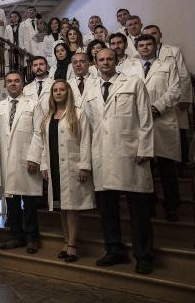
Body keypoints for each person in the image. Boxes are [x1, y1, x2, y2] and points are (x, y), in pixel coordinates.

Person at [83, 48, 155, 275]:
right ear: (95, 63)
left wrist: (145, 148)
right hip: (102, 155)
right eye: (101, 59)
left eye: (109, 59)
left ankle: (143, 256)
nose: (105, 62)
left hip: (131, 154)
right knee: (107, 210)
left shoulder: (133, 83)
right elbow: (86, 127)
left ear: (116, 61)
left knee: (139, 211)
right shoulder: (90, 88)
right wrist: (85, 160)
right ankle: (114, 249)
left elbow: (145, 118)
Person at [121, 34, 182, 222]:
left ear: (155, 46)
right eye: (141, 45)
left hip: (162, 120)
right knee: (143, 167)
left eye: (149, 44)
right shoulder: (129, 68)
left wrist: (156, 108)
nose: (145, 48)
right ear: (137, 48)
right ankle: (149, 204)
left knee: (166, 168)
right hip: (138, 122)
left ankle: (171, 206)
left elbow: (175, 91)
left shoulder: (168, 65)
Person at [40, 80, 94, 262]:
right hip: (54, 166)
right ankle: (65, 240)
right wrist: (44, 165)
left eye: (62, 89)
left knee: (71, 207)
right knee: (61, 206)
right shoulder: (48, 117)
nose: (58, 92)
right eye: (55, 90)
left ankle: (72, 244)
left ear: (68, 92)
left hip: (72, 166)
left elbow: (85, 141)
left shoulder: (78, 113)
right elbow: (44, 144)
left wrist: (84, 165)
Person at [0, 71, 43, 254]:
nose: (13, 84)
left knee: (29, 202)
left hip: (27, 160)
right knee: (11, 202)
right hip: (6, 161)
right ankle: (16, 236)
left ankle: (32, 238)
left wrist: (34, 157)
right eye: (9, 81)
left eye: (16, 81)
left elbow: (39, 132)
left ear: (22, 84)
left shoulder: (34, 104)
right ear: (5, 84)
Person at [145, 24, 193, 178]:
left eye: (153, 33)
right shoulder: (138, 60)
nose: (151, 37)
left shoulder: (173, 51)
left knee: (176, 137)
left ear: (160, 34)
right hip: (147, 108)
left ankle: (182, 168)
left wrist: (186, 98)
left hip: (170, 104)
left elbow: (183, 76)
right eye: (147, 34)